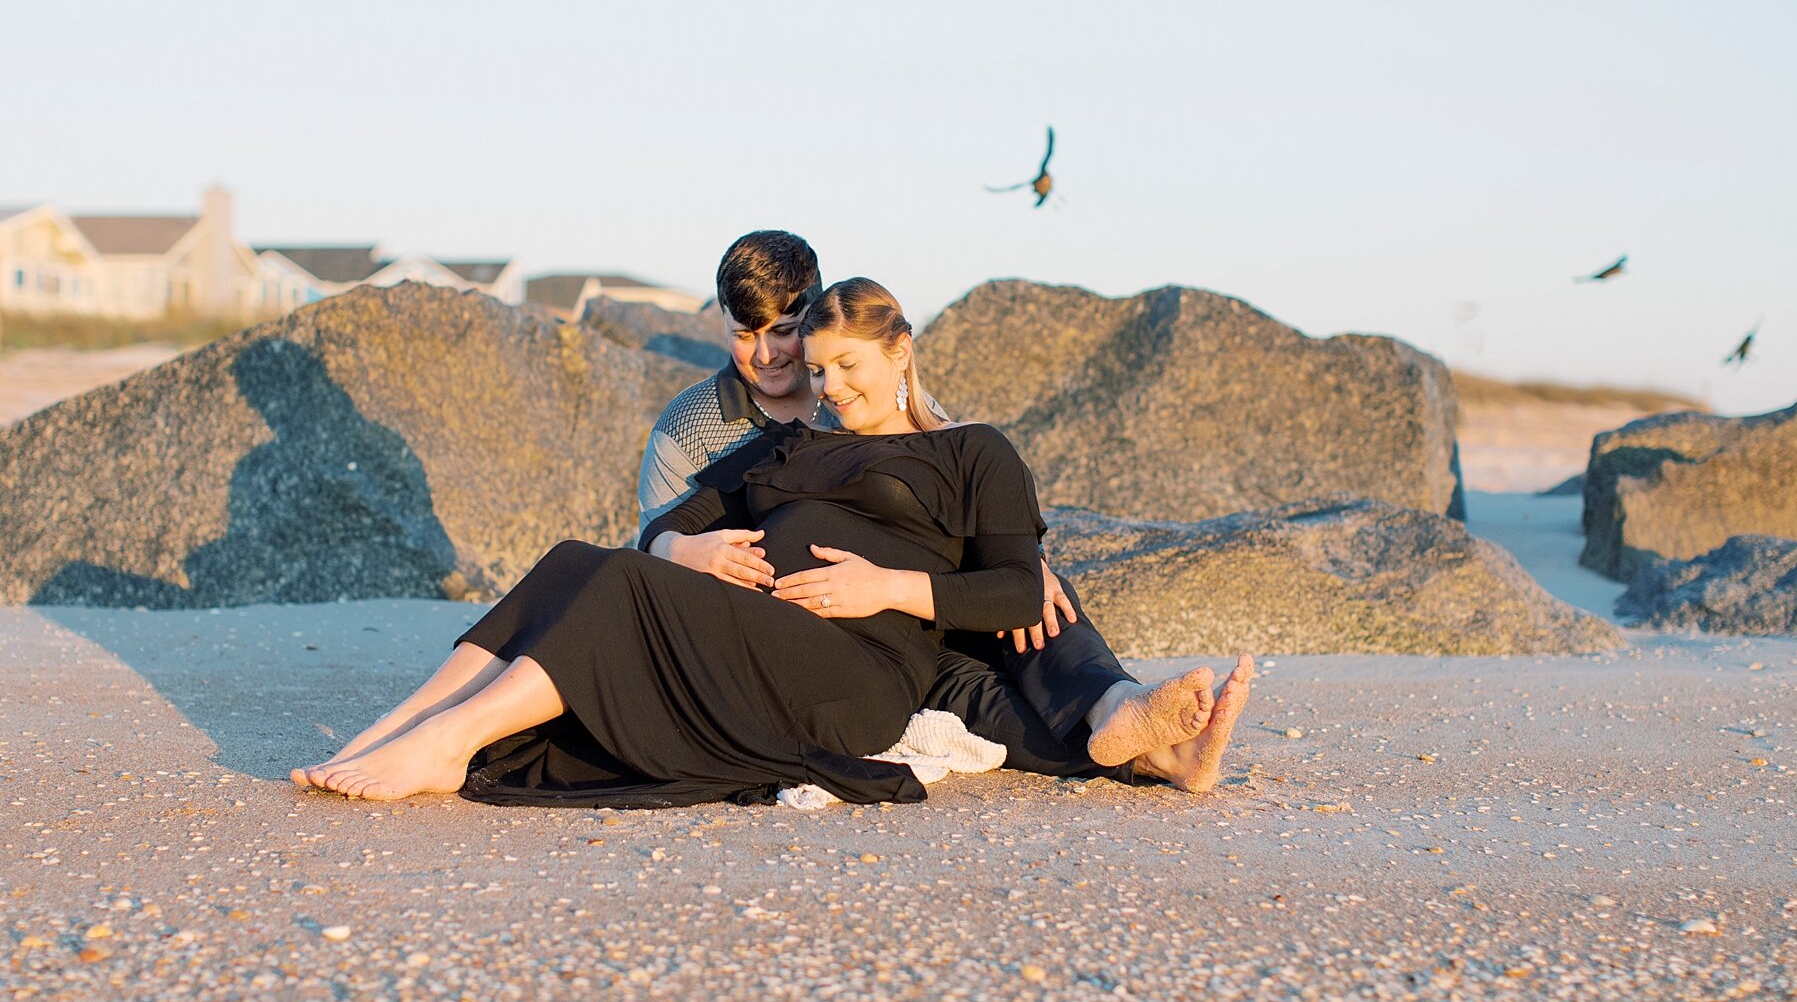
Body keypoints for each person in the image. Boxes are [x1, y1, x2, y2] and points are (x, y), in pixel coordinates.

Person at [294, 279, 1251, 806]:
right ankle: (401, 731)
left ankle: (447, 747)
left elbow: (1011, 591)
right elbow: (667, 524)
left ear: (900, 352)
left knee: (617, 586)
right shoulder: (789, 445)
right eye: (820, 368)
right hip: (758, 645)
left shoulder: (970, 452)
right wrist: (689, 554)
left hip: (860, 675)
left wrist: (888, 586)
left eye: (850, 365)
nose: (832, 385)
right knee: (579, 561)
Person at [638, 232, 1176, 782]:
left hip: (918, 595)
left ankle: (1122, 706)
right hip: (822, 635)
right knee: (972, 688)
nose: (767, 354)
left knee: (1036, 601)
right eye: (744, 335)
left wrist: (1021, 555)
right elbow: (660, 546)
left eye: (784, 332)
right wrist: (683, 548)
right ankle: (1143, 752)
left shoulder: (863, 390)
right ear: (721, 324)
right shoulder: (689, 428)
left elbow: (955, 476)